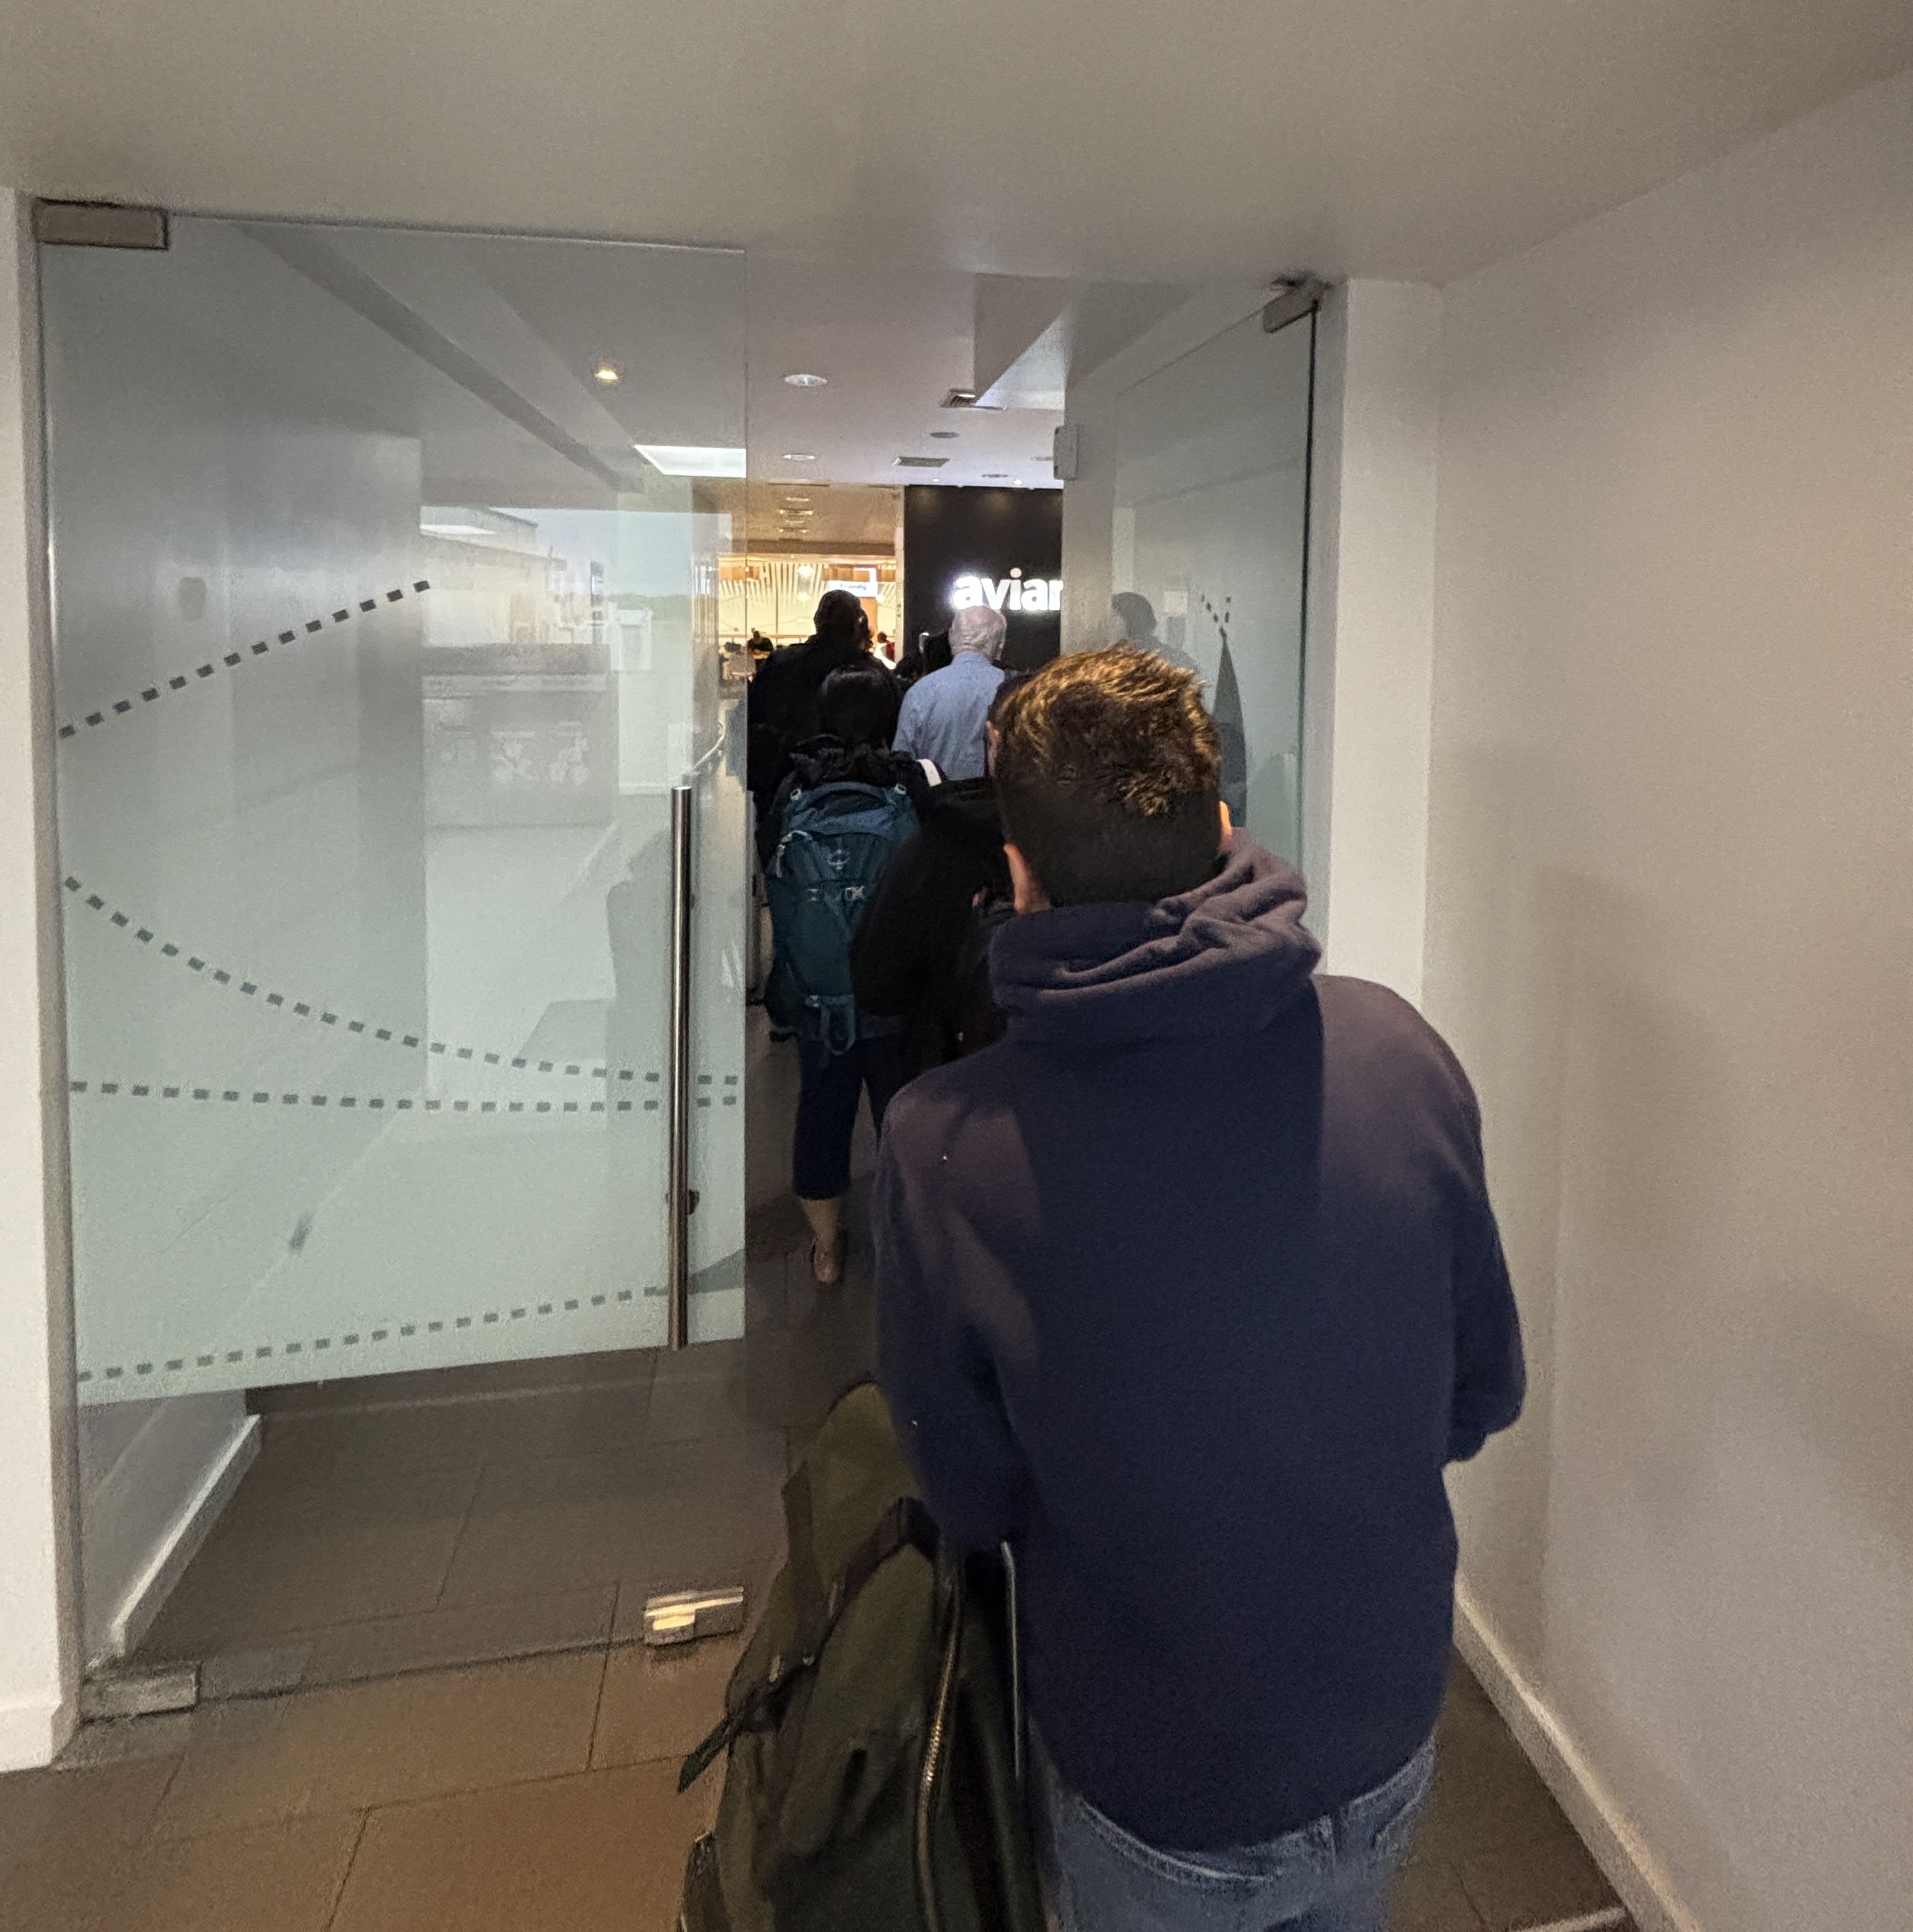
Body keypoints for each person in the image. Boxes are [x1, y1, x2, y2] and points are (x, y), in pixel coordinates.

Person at [874, 648, 1526, 1932]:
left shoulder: (945, 1145)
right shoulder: (1401, 1051)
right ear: (1225, 828)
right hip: (1389, 1719)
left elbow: (970, 1492)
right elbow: (1478, 1391)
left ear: (1016, 876)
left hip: (1157, 1774)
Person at [765, 656, 932, 1285]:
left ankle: (828, 1252)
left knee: (823, 1113)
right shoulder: (909, 780)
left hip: (821, 994)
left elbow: (774, 882)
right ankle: (910, 1245)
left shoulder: (795, 787)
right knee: (905, 1116)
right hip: (897, 987)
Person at [851, 673, 1025, 1075]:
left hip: (951, 1067)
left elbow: (877, 980)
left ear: (993, 739)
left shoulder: (938, 843)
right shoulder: (1103, 847)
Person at [747, 589, 871, 846]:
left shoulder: (781, 664)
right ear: (856, 624)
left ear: (817, 622)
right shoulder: (865, 673)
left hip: (782, 787)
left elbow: (752, 720)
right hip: (852, 794)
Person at [894, 607, 1003, 777]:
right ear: (1000, 645)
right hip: (998, 802)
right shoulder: (1014, 691)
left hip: (933, 801)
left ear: (952, 638)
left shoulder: (920, 692)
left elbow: (902, 765)